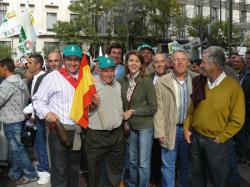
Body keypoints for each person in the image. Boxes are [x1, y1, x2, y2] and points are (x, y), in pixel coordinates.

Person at [183, 46, 245, 187]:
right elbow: (192, 110)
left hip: (217, 143)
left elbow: (238, 120)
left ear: (214, 65)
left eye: (204, 62)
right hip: (196, 139)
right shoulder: (200, 82)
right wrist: (187, 128)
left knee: (219, 180)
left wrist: (220, 138)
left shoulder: (233, 87)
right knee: (195, 179)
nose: (201, 65)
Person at [33, 44, 83, 187]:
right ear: (63, 59)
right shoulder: (52, 77)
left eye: (76, 59)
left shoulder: (84, 77)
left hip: (79, 131)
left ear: (80, 60)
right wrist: (47, 113)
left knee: (74, 170)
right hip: (59, 130)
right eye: (69, 59)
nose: (73, 63)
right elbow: (37, 100)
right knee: (59, 171)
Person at [154, 50, 197, 187]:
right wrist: (160, 131)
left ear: (188, 62)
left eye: (183, 59)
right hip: (169, 130)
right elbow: (158, 109)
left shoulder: (197, 79)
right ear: (170, 63)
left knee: (186, 165)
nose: (179, 62)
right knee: (168, 166)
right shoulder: (162, 81)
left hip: (189, 130)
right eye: (176, 59)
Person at [119, 50, 157, 187]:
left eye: (137, 61)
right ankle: (133, 184)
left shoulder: (146, 81)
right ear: (126, 63)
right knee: (133, 161)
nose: (134, 63)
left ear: (141, 64)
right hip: (130, 127)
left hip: (145, 127)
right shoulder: (121, 81)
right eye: (131, 60)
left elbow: (153, 107)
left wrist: (133, 111)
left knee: (143, 162)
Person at [85, 56, 125, 187]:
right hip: (96, 136)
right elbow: (85, 109)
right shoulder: (91, 86)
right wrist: (92, 104)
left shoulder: (118, 85)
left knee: (115, 172)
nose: (109, 74)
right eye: (105, 71)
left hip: (116, 135)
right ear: (99, 71)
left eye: (111, 70)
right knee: (94, 172)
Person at [0, 58, 38, 185]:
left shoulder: (6, 84)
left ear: (5, 68)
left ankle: (31, 174)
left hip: (11, 122)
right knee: (14, 149)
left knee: (17, 149)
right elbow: (27, 97)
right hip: (20, 119)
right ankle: (14, 173)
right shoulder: (20, 81)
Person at [26, 53, 50, 184]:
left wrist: (28, 110)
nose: (27, 65)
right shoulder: (35, 78)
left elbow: (41, 100)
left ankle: (45, 171)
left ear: (38, 65)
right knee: (39, 145)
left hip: (44, 118)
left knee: (42, 145)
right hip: (38, 118)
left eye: (30, 63)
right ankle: (43, 168)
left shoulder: (44, 78)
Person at [149, 52, 169, 187]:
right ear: (152, 64)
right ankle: (154, 180)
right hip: (150, 123)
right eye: (156, 62)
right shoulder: (147, 78)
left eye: (162, 61)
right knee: (153, 154)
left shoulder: (174, 78)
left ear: (167, 63)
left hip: (168, 124)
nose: (159, 64)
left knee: (168, 157)